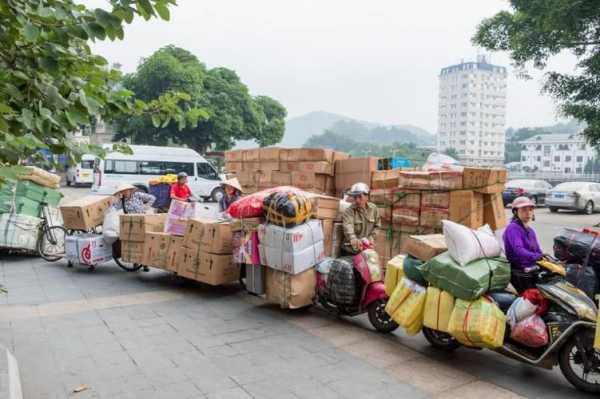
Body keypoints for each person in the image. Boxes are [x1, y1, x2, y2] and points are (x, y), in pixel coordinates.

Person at [502, 196, 543, 293]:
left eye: (530, 209)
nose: (528, 213)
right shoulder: (513, 228)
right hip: (520, 270)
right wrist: (536, 256)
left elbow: (538, 250)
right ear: (516, 212)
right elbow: (519, 250)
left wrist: (543, 257)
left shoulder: (530, 231)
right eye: (524, 210)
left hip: (531, 267)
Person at [111, 184, 155, 271]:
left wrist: (146, 207)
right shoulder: (122, 200)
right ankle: (136, 262)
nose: (124, 193)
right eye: (122, 191)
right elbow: (114, 208)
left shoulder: (137, 195)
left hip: (143, 221)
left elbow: (152, 198)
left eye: (125, 191)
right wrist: (115, 199)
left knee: (144, 242)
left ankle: (145, 264)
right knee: (135, 244)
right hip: (131, 225)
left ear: (130, 190)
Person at [341, 182, 381, 255]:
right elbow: (348, 227)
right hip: (351, 252)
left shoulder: (374, 209)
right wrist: (353, 239)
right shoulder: (349, 211)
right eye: (355, 197)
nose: (357, 200)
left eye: (360, 197)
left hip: (366, 250)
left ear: (367, 196)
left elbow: (377, 226)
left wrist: (370, 239)